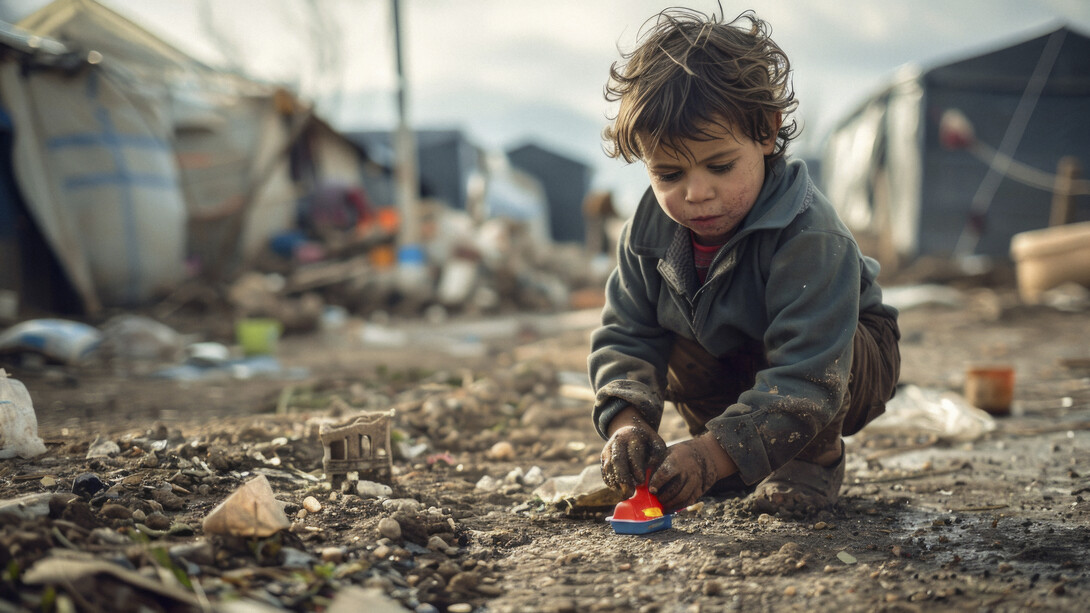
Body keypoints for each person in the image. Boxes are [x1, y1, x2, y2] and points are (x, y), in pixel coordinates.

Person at [589, 8, 901, 517]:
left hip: (843, 358)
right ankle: (741, 453)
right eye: (668, 174)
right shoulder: (646, 233)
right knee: (676, 341)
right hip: (733, 354)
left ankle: (810, 457)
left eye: (720, 165)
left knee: (815, 369)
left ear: (765, 131)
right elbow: (627, 333)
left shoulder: (808, 232)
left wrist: (709, 457)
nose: (696, 193)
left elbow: (809, 371)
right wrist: (628, 424)